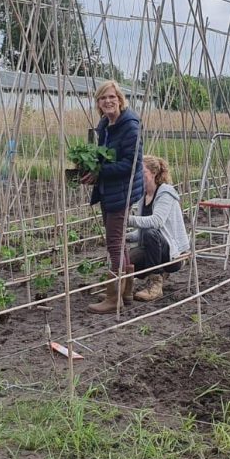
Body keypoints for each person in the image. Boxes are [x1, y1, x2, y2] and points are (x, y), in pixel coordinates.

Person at [82, 79, 143, 314]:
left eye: (112, 97)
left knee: (114, 242)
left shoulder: (130, 125)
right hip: (109, 189)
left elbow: (131, 163)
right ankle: (126, 292)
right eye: (103, 98)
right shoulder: (105, 124)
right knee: (119, 241)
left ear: (120, 99)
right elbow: (102, 156)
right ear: (98, 102)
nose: (107, 101)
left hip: (122, 190)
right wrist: (87, 165)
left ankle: (113, 297)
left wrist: (99, 173)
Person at [125, 155, 190, 302]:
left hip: (172, 254)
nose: (138, 176)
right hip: (152, 247)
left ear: (153, 173)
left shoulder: (165, 192)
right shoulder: (143, 196)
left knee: (151, 233)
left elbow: (156, 222)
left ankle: (155, 284)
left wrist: (127, 220)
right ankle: (121, 289)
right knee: (126, 262)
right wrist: (125, 235)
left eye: (142, 172)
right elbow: (141, 232)